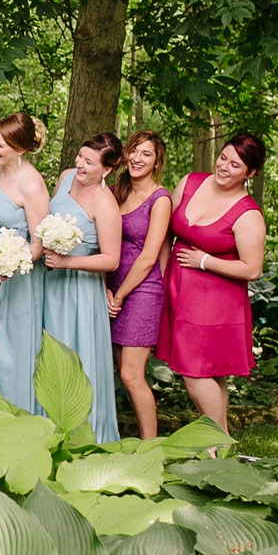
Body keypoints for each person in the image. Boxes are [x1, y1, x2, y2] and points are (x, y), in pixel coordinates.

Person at [163, 130, 267, 431]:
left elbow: (252, 269)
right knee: (210, 372)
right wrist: (159, 273)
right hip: (179, 288)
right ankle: (220, 447)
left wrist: (205, 261)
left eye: (235, 165)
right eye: (223, 158)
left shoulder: (248, 214)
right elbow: (165, 230)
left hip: (216, 299)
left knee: (194, 372)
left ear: (251, 172)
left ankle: (216, 440)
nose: (224, 167)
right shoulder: (191, 182)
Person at [40, 137, 124, 443]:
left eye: (89, 162)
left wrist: (67, 261)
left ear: (107, 169)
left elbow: (111, 259)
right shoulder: (65, 179)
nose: (80, 164)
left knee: (77, 355)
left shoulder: (105, 204)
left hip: (79, 293)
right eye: (80, 156)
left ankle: (85, 435)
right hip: (49, 283)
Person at [108, 130, 175, 443]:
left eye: (146, 154)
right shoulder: (115, 191)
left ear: (157, 161)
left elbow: (149, 256)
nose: (137, 158)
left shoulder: (160, 199)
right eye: (134, 151)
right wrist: (107, 290)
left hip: (141, 292)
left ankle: (151, 446)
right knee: (120, 369)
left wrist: (120, 295)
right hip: (110, 289)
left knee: (131, 374)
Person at [0, 112, 48, 417]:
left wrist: (13, 263)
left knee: (12, 350)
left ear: (20, 149)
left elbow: (39, 243)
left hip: (17, 276)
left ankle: (17, 417)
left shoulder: (32, 185)